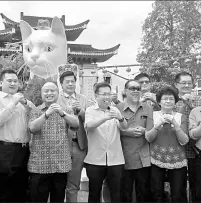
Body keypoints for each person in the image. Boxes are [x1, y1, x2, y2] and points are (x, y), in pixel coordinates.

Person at [0, 69, 35, 202]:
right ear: (1, 83)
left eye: (15, 81)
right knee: (5, 190)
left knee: (22, 189)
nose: (13, 83)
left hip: (24, 150)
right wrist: (13, 102)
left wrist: (25, 103)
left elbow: (36, 115)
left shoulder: (23, 101)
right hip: (5, 151)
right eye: (9, 81)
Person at [28, 82, 79, 202]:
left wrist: (62, 113)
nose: (49, 93)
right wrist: (46, 114)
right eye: (46, 91)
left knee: (58, 199)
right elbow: (32, 128)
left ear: (58, 93)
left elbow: (76, 124)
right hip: (39, 164)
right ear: (41, 94)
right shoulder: (35, 110)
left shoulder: (66, 110)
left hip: (60, 164)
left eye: (52, 91)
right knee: (37, 199)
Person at [84, 82, 128, 203]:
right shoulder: (90, 110)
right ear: (96, 96)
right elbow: (89, 126)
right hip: (95, 159)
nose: (107, 97)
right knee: (94, 193)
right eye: (103, 94)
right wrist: (105, 117)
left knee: (116, 193)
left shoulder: (115, 110)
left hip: (116, 159)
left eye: (109, 94)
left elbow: (124, 127)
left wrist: (120, 118)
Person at [145, 85, 189, 203]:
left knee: (177, 194)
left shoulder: (181, 117)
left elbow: (184, 140)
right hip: (156, 159)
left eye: (171, 99)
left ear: (175, 102)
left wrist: (175, 124)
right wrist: (157, 125)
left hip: (177, 160)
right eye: (165, 99)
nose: (168, 101)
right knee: (156, 193)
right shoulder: (153, 115)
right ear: (159, 101)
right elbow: (149, 138)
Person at [116, 80, 153, 203]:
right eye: (132, 88)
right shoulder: (117, 109)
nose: (136, 91)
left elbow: (152, 130)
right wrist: (127, 132)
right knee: (124, 193)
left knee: (143, 193)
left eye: (138, 88)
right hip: (123, 157)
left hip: (144, 158)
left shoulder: (147, 108)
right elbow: (111, 131)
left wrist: (144, 131)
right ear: (125, 91)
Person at [56, 70, 90, 202]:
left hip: (78, 144)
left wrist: (82, 111)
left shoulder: (83, 99)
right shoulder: (56, 98)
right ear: (61, 84)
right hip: (60, 144)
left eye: (73, 81)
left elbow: (90, 119)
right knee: (57, 183)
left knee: (73, 184)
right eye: (67, 82)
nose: (70, 84)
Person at [173, 71, 201, 202]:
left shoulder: (200, 100)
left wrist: (190, 105)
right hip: (177, 149)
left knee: (197, 184)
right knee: (178, 186)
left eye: (189, 83)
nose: (186, 85)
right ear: (176, 84)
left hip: (195, 149)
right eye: (183, 83)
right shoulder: (171, 99)